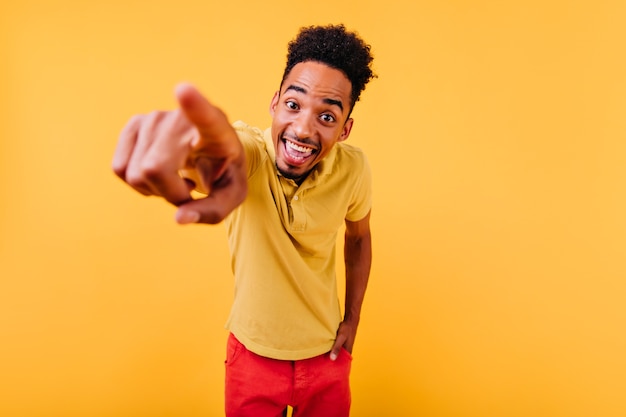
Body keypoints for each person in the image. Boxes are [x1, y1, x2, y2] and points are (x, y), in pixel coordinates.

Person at [112, 24, 375, 417]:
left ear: (344, 129)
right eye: (293, 104)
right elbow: (227, 152)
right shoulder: (250, 154)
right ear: (274, 103)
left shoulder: (353, 169)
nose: (303, 128)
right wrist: (197, 152)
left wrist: (353, 319)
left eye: (326, 115)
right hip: (252, 358)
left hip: (327, 357)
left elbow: (358, 238)